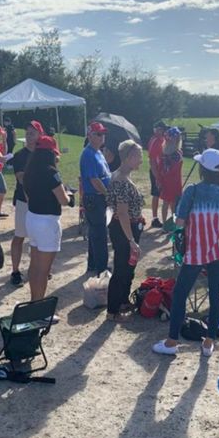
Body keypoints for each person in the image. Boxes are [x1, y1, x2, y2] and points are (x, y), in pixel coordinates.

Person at [153, 148, 219, 357]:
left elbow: (179, 223)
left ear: (202, 169)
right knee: (216, 293)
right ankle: (209, 342)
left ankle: (172, 341)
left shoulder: (193, 190)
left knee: (181, 293)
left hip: (196, 249)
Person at [23, 136, 69, 302]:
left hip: (32, 218)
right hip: (47, 222)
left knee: (34, 265)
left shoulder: (29, 170)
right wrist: (69, 196)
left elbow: (28, 196)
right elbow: (63, 199)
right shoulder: (51, 172)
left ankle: (33, 301)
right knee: (43, 270)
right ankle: (38, 307)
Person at [106, 140, 145, 318]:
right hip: (124, 228)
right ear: (129, 157)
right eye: (139, 156)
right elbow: (122, 213)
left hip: (128, 226)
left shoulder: (121, 175)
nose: (141, 160)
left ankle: (122, 301)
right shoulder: (121, 180)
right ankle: (113, 309)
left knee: (128, 266)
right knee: (121, 268)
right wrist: (131, 240)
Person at [8, 121, 43, 287]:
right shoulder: (20, 155)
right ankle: (15, 271)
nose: (29, 136)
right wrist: (31, 195)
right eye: (27, 132)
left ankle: (36, 268)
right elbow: (20, 177)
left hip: (41, 202)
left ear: (39, 135)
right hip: (24, 200)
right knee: (20, 235)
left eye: (33, 133)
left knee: (38, 237)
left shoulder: (44, 153)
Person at [79, 121, 112, 275]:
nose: (101, 137)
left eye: (103, 134)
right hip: (95, 197)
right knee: (99, 233)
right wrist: (108, 194)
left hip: (98, 197)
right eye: (98, 134)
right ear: (90, 135)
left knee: (95, 232)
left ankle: (93, 264)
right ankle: (102, 267)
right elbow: (94, 180)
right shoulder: (88, 154)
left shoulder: (98, 152)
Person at [155, 126, 184, 224]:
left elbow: (160, 168)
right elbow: (172, 169)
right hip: (172, 182)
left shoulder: (165, 152)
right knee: (172, 204)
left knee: (168, 203)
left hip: (168, 181)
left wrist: (160, 179)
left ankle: (168, 223)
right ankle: (170, 223)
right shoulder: (175, 153)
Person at [147, 121, 168, 226]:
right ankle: (155, 218)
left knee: (160, 193)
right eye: (159, 129)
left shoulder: (162, 139)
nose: (162, 131)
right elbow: (152, 160)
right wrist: (157, 176)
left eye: (162, 129)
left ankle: (158, 218)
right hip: (156, 170)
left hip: (161, 170)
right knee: (156, 193)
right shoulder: (155, 141)